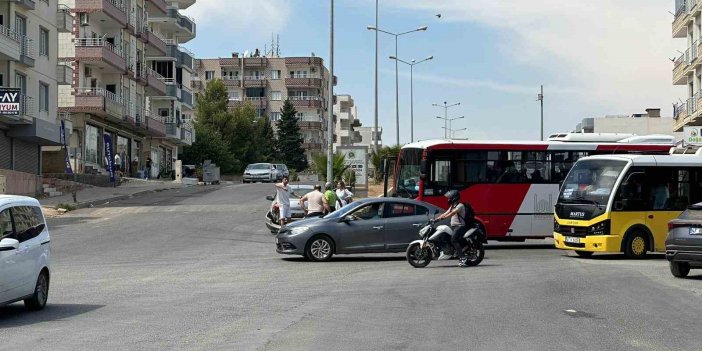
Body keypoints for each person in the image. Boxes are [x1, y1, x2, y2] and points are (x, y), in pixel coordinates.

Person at [435, 190, 474, 267]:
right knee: (444, 235)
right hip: (453, 227)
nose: (448, 199)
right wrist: (436, 219)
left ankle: (463, 258)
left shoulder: (460, 206)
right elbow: (445, 213)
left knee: (453, 239)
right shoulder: (452, 206)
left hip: (460, 226)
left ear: (454, 198)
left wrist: (442, 218)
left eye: (449, 198)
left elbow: (452, 213)